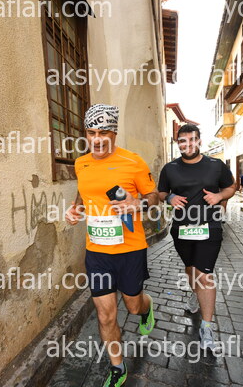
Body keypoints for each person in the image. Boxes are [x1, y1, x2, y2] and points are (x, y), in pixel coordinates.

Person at [65, 104, 160, 387]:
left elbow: (154, 197)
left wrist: (137, 204)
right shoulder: (81, 163)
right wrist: (76, 209)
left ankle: (147, 307)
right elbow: (83, 193)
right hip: (97, 252)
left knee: (133, 305)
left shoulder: (133, 162)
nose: (96, 140)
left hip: (130, 250)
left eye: (103, 133)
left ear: (114, 133)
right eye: (91, 133)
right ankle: (118, 367)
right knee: (106, 315)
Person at [157, 124, 236, 351]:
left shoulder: (215, 165)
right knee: (191, 269)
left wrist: (219, 196)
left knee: (204, 274)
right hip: (182, 229)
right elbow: (161, 192)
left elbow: (231, 187)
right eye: (183, 141)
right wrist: (169, 197)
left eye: (192, 139)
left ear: (199, 141)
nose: (188, 144)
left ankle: (207, 327)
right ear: (178, 143)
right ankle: (194, 294)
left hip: (210, 227)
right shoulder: (170, 168)